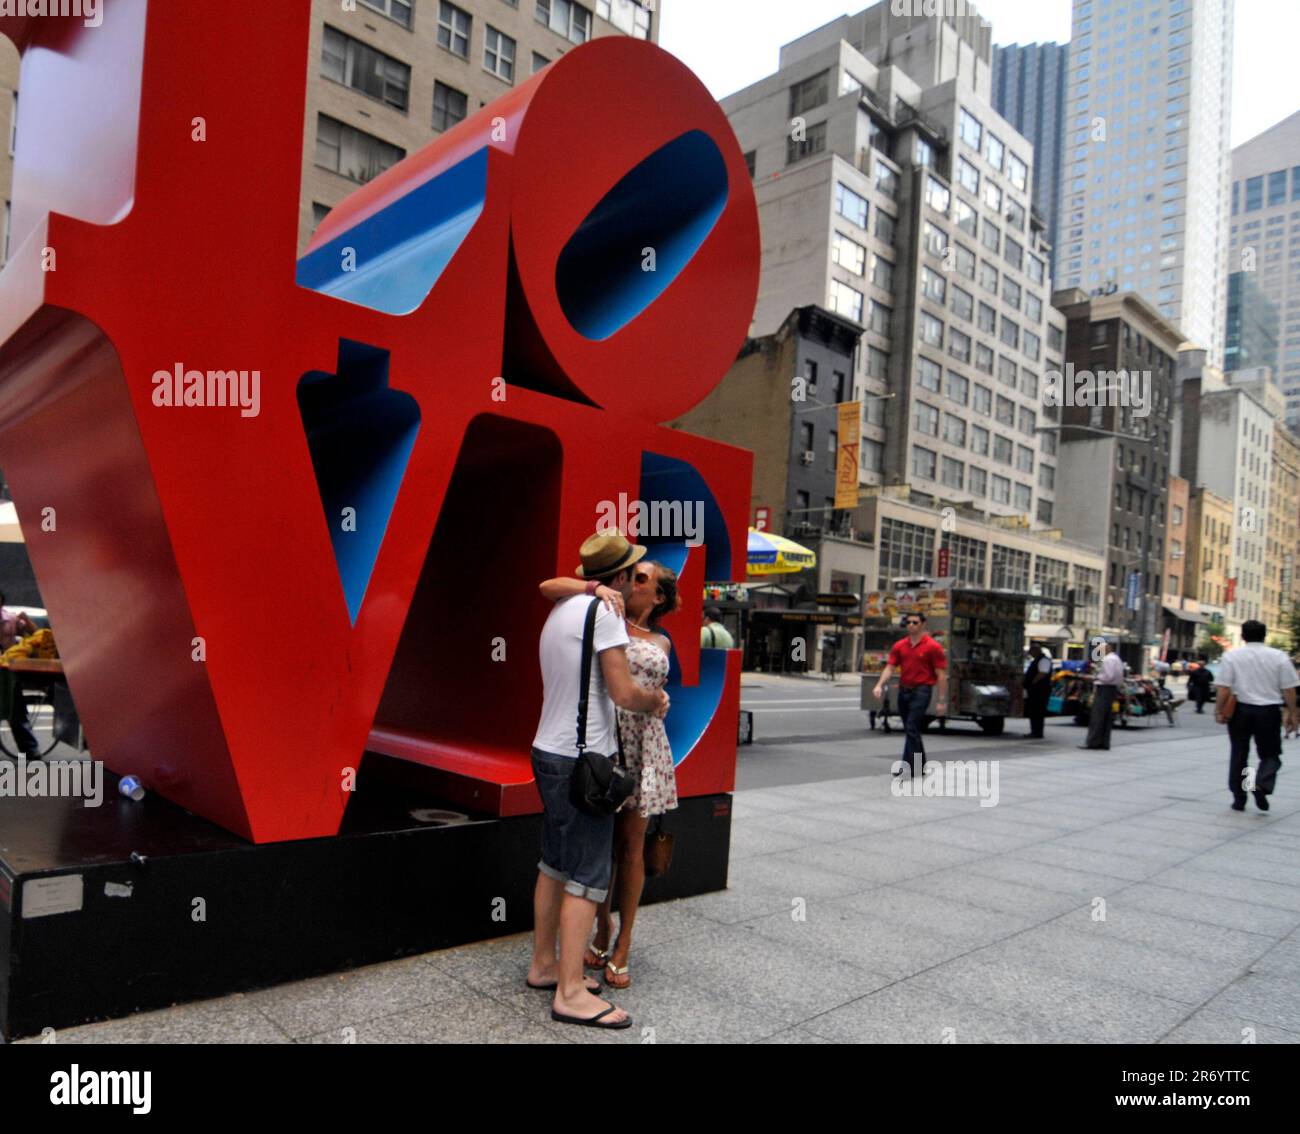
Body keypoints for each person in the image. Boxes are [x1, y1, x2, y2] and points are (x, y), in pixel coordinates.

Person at [526, 530, 667, 1030]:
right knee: (587, 876)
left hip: (548, 751)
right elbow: (625, 692)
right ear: (622, 577)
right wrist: (656, 701)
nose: (635, 581)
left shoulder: (564, 607)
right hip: (584, 763)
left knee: (554, 865)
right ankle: (570, 993)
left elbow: (548, 586)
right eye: (633, 573)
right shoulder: (605, 614)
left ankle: (544, 965)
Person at [1214, 620, 1299, 812]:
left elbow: (1224, 688)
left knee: (1239, 754)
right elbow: (1289, 689)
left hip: (1240, 711)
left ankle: (1239, 797)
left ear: (1242, 636)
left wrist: (1218, 710)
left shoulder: (1232, 656)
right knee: (1270, 755)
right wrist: (1293, 714)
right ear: (1265, 635)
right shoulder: (1279, 657)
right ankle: (1261, 783)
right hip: (1268, 711)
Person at [873, 611, 947, 775]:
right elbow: (890, 667)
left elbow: (941, 674)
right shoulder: (900, 646)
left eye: (915, 622)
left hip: (922, 691)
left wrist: (941, 700)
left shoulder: (933, 647)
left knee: (912, 726)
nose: (911, 625)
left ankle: (908, 765)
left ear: (923, 624)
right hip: (904, 690)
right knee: (910, 729)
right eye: (908, 622)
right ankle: (920, 764)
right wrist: (879, 684)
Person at [0, 589, 39, 758]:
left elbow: (35, 635)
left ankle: (30, 749)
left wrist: (26, 619)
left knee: (16, 712)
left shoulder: (11, 619)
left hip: (8, 673)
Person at [1080, 637, 1123, 750]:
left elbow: (1108, 676)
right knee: (1106, 717)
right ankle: (1104, 742)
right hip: (1112, 689)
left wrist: (1095, 677)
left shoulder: (1108, 660)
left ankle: (1093, 742)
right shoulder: (1116, 658)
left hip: (1104, 688)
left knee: (1097, 716)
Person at [1022, 645, 1053, 739]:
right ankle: (1034, 731)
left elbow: (1042, 673)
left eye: (1031, 651)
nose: (1030, 654)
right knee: (1034, 711)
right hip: (1036, 690)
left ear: (1036, 651)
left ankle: (1037, 732)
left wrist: (1033, 682)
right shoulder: (1037, 660)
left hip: (1040, 690)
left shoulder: (1043, 660)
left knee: (1037, 712)